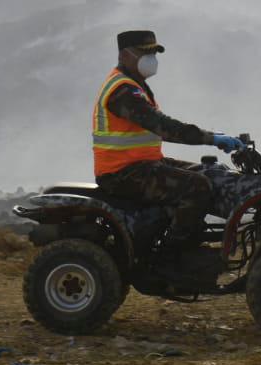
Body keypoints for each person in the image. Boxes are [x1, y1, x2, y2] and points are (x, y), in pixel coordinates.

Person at [92, 30, 246, 249]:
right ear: (125, 55)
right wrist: (212, 139)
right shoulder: (122, 91)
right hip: (121, 173)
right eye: (144, 53)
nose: (151, 59)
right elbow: (164, 127)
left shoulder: (134, 84)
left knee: (213, 173)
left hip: (143, 164)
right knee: (197, 187)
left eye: (154, 53)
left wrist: (214, 138)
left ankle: (185, 232)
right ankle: (173, 253)